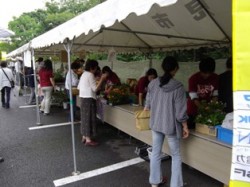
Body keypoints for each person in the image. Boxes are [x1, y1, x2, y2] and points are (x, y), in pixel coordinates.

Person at [144, 56, 189, 187]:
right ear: (175, 69)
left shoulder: (152, 83)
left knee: (156, 152)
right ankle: (176, 185)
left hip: (156, 123)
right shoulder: (178, 87)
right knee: (175, 155)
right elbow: (181, 112)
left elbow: (148, 103)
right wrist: (185, 126)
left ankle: (154, 182)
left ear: (163, 68)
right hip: (171, 126)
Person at [77, 59, 108, 146]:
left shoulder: (84, 74)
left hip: (83, 98)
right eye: (95, 68)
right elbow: (95, 89)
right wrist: (101, 79)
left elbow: (79, 87)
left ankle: (84, 136)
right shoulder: (90, 75)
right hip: (89, 99)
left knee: (84, 118)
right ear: (92, 67)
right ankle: (88, 139)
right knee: (89, 118)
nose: (96, 69)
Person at [187, 57, 219, 129]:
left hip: (208, 110)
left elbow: (215, 94)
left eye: (209, 73)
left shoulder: (216, 77)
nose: (207, 75)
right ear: (200, 70)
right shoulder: (193, 78)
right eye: (204, 73)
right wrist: (203, 109)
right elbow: (194, 98)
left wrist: (211, 107)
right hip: (193, 111)